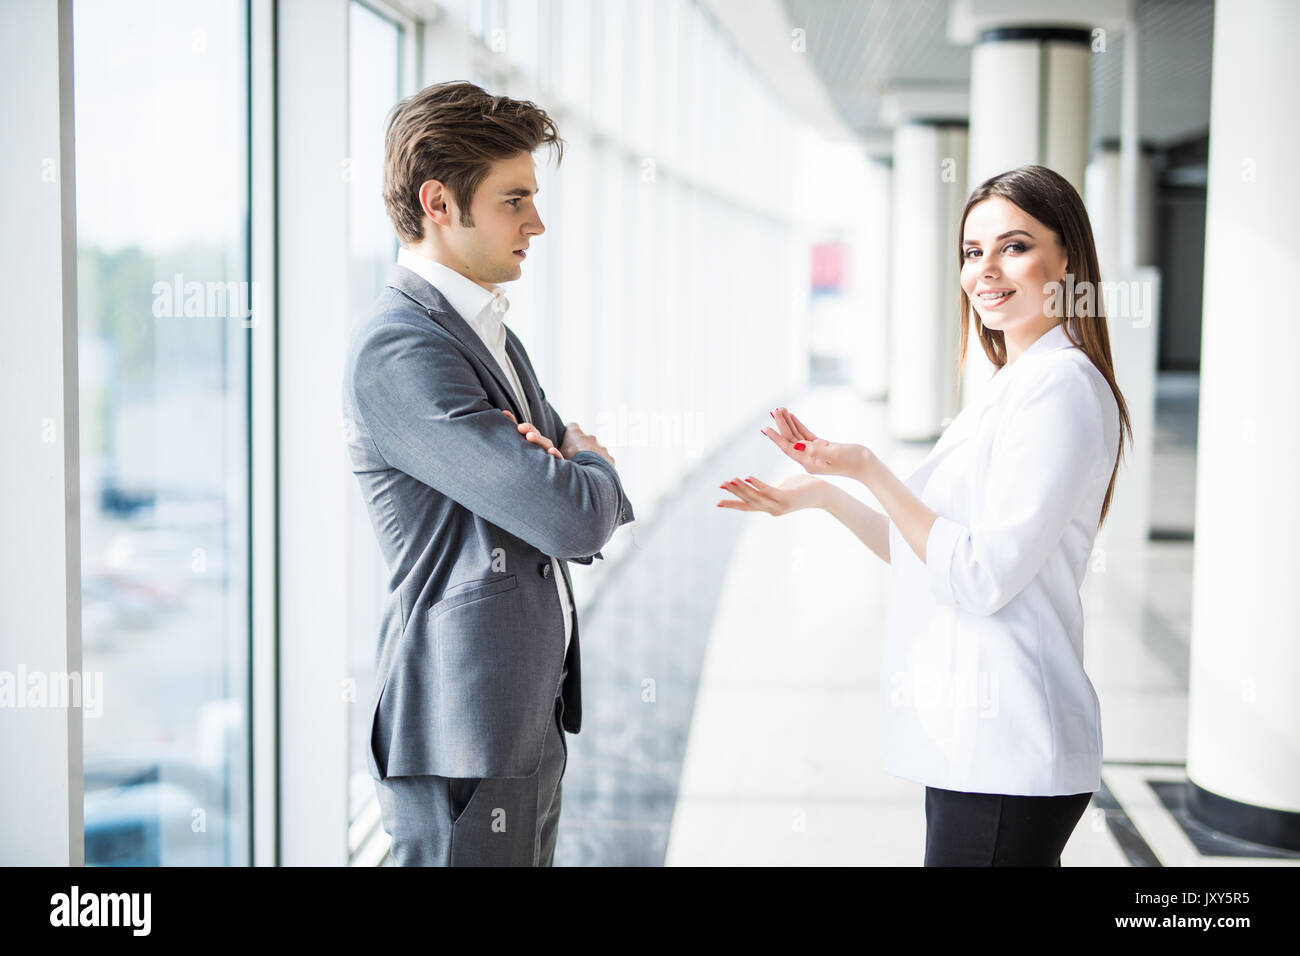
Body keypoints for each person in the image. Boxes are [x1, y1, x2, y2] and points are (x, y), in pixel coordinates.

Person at [719, 164, 1133, 866]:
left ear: (1069, 260)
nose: (987, 271)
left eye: (1015, 246)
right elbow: (930, 548)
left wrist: (871, 469)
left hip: (1010, 747)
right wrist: (823, 494)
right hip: (977, 745)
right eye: (973, 252)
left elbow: (977, 576)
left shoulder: (1059, 391)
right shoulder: (1015, 384)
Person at [342, 81, 634, 866]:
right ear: (439, 202)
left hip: (517, 706)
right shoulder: (401, 347)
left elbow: (561, 492)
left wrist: (569, 468)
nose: (537, 223)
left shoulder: (485, 327)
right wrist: (589, 459)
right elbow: (574, 512)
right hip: (458, 726)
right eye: (515, 200)